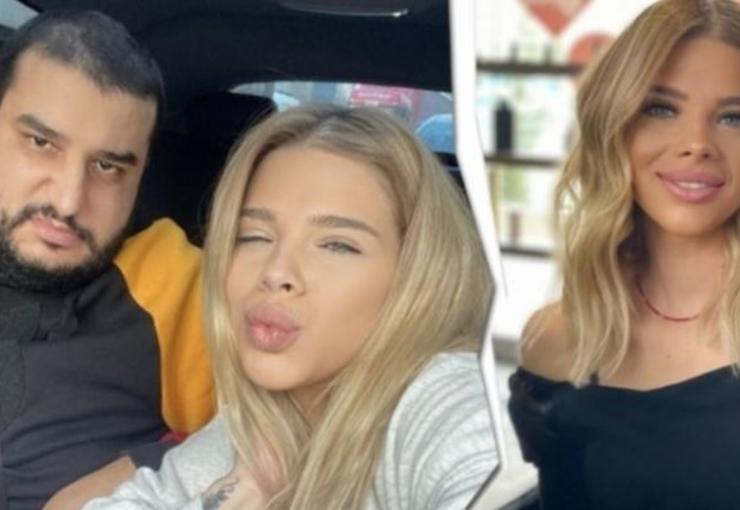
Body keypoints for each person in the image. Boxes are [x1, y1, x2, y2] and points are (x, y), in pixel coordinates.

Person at [84, 105, 497, 509]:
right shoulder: (267, 422)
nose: (276, 271)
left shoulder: (451, 400)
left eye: (337, 245)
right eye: (253, 236)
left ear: (419, 275)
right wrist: (242, 491)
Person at [508, 0, 740, 508]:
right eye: (661, 108)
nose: (697, 144)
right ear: (615, 125)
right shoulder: (553, 338)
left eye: (733, 117)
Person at [0, 10, 214, 510]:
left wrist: (155, 470)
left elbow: (314, 422)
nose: (68, 201)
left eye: (107, 166)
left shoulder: (174, 287)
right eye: (41, 143)